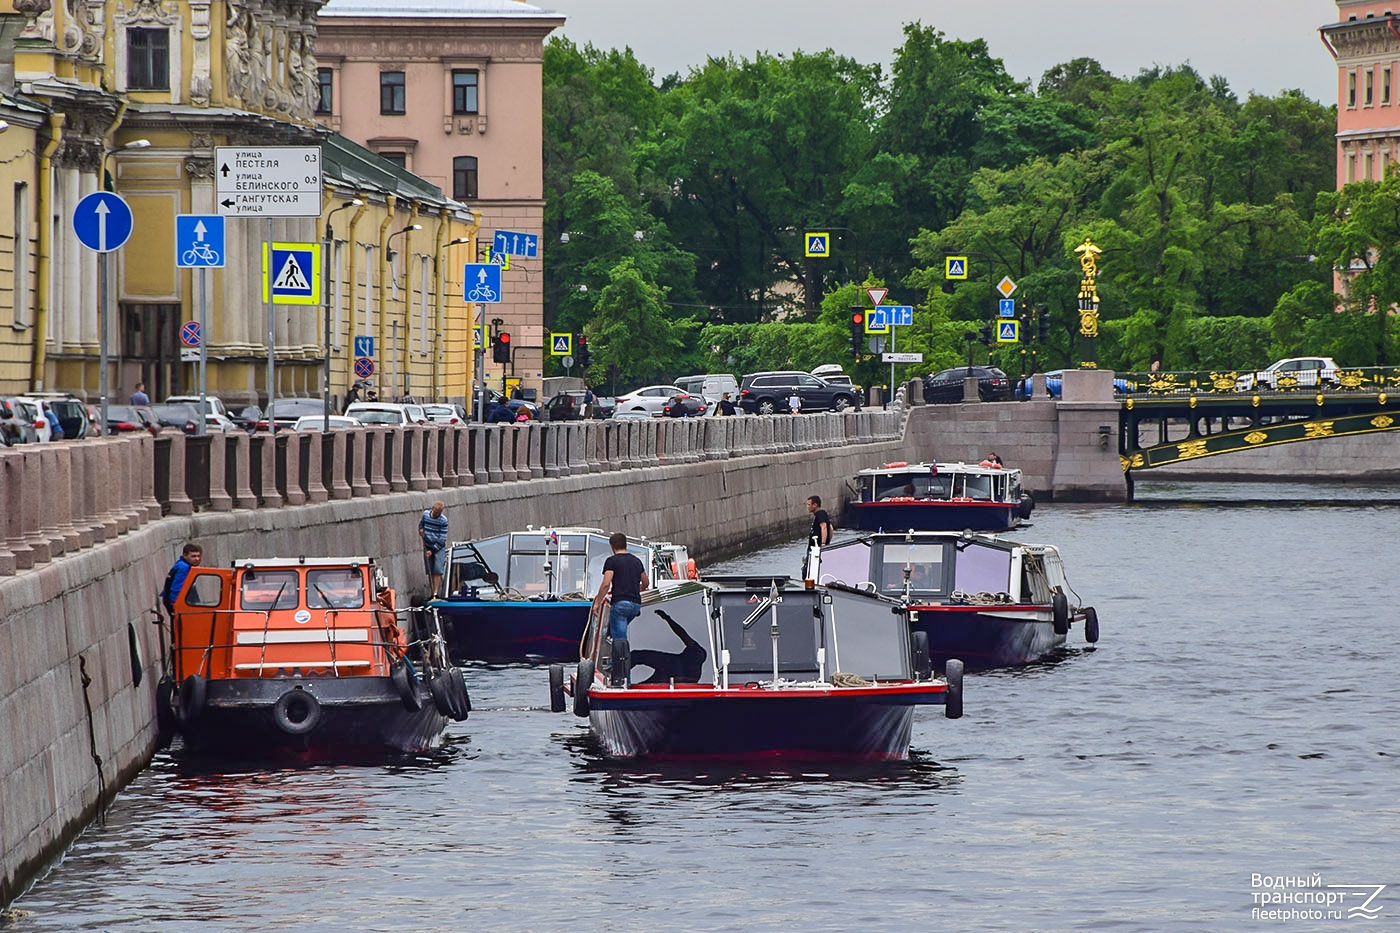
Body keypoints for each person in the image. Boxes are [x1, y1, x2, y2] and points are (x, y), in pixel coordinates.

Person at [593, 531, 649, 643]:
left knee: (619, 638)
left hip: (620, 604)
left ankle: (620, 659)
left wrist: (597, 603)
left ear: (612, 547)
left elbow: (605, 584)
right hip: (635, 606)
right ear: (625, 545)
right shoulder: (636, 561)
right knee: (618, 630)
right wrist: (639, 587)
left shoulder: (611, 561)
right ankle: (614, 643)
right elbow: (646, 583)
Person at [630, 611, 707, 685]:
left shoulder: (694, 652)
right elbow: (682, 634)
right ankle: (622, 678)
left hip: (672, 669)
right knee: (644, 685)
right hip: (676, 678)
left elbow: (682, 633)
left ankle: (619, 676)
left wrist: (668, 619)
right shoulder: (695, 673)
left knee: (637, 656)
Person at [161, 542, 203, 616]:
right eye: (193, 556)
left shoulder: (181, 564)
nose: (197, 559)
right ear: (185, 555)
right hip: (177, 603)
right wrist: (176, 605)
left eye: (198, 556)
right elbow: (177, 588)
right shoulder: (184, 568)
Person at [418, 501, 449, 596]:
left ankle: (435, 592)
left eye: (438, 514)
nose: (436, 515)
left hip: (438, 546)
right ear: (432, 509)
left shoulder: (443, 520)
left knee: (438, 569)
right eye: (435, 513)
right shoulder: (426, 515)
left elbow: (442, 539)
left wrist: (432, 551)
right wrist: (421, 530)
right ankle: (432, 591)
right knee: (430, 569)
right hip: (427, 544)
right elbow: (421, 524)